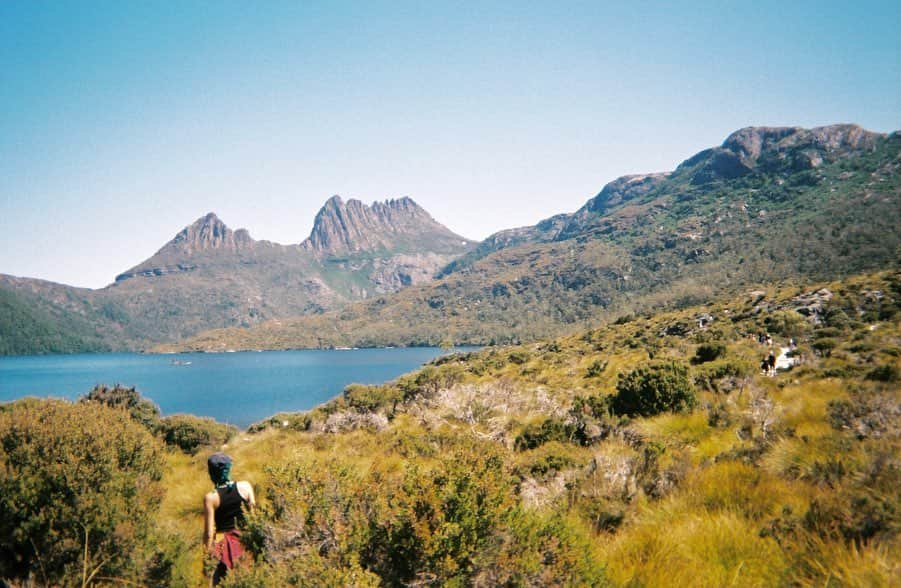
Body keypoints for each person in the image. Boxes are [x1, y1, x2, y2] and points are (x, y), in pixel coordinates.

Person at [203, 452, 255, 586]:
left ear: (211, 473)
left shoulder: (211, 498)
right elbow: (253, 518)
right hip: (245, 539)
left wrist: (207, 560)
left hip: (223, 544)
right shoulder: (246, 486)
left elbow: (209, 534)